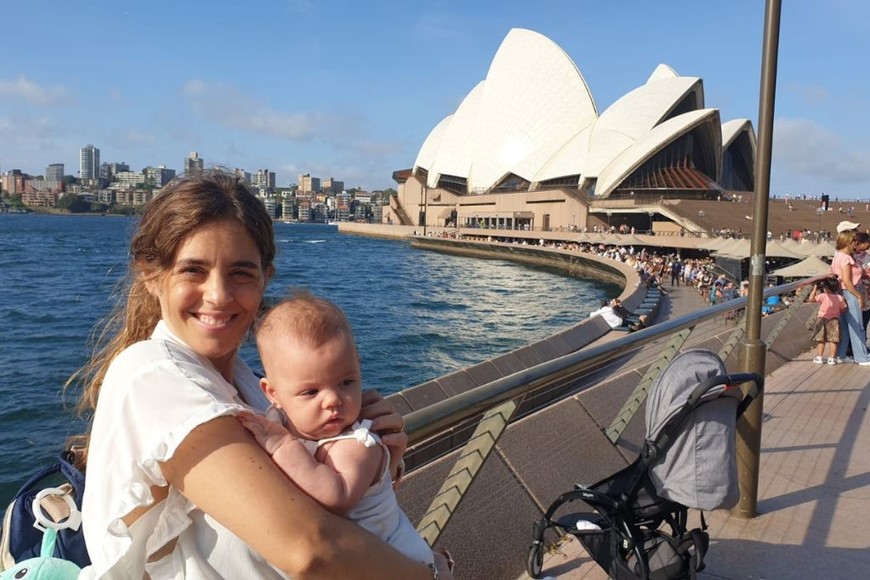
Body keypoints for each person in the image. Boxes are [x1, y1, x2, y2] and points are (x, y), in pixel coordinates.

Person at [69, 171, 452, 579]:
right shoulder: (152, 374)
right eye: (193, 270)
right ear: (151, 275)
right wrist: (431, 575)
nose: (218, 295)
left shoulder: (251, 387)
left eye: (241, 273)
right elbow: (312, 550)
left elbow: (331, 507)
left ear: (265, 278)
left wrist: (376, 462)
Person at [238, 290, 441, 571]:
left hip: (398, 563)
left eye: (346, 382)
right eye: (311, 392)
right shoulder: (276, 420)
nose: (333, 399)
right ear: (272, 393)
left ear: (359, 367)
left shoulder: (358, 444)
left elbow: (336, 497)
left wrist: (281, 445)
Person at [830, 229, 870, 365]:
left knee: (845, 326)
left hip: (841, 293)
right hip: (850, 292)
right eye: (854, 240)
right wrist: (859, 296)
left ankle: (841, 354)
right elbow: (847, 281)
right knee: (857, 325)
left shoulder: (838, 256)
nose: (855, 243)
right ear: (848, 242)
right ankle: (861, 357)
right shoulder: (846, 258)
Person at [807, 277, 846, 365]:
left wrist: (814, 289)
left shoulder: (823, 296)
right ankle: (832, 358)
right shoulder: (840, 298)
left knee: (821, 340)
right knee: (833, 340)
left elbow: (811, 299)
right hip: (834, 321)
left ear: (826, 288)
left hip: (822, 319)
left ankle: (819, 357)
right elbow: (844, 308)